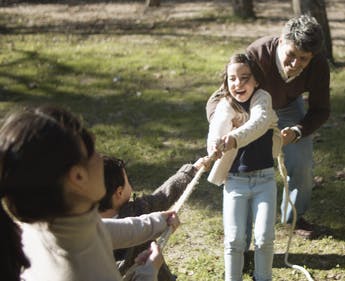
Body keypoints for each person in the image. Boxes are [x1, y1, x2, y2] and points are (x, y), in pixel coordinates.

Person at [0, 105, 179, 281]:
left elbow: (103, 230)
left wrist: (157, 222)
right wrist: (146, 274)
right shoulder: (78, 273)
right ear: (78, 177)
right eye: (93, 152)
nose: (101, 158)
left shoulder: (47, 225)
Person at [207, 15, 330, 239]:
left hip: (290, 108)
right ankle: (240, 234)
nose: (295, 64)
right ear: (281, 41)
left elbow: (321, 109)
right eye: (291, 55)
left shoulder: (319, 64)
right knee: (243, 165)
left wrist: (297, 131)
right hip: (252, 110)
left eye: (303, 59)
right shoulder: (257, 54)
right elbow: (221, 97)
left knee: (302, 160)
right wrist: (222, 126)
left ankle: (293, 216)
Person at [207, 53, 282, 281]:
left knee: (264, 237)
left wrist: (233, 139)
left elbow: (258, 124)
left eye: (244, 77)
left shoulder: (263, 98)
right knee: (234, 239)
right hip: (235, 182)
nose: (238, 83)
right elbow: (216, 130)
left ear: (256, 80)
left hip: (265, 180)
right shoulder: (225, 105)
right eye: (232, 78)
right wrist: (215, 145)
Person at [99, 155, 209, 281]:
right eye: (127, 180)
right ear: (119, 192)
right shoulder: (137, 211)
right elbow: (163, 196)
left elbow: (164, 195)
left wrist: (192, 170)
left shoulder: (82, 229)